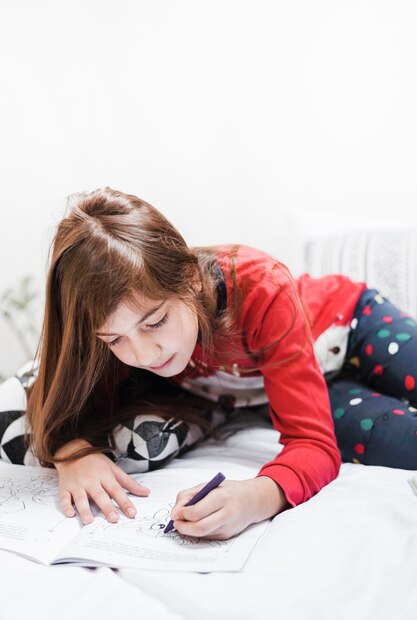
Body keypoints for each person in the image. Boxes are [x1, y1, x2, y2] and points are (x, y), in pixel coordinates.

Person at [1, 187, 417, 541]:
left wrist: (256, 497)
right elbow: (55, 397)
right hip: (306, 388)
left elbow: (311, 445)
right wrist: (73, 453)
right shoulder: (115, 336)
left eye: (156, 321)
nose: (144, 355)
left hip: (350, 324)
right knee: (402, 443)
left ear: (190, 280)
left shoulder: (260, 286)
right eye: (114, 339)